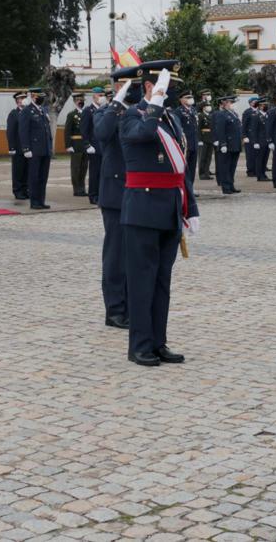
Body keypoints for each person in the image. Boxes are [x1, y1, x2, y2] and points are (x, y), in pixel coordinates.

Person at [119, 62, 199, 367]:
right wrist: (153, 103)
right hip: (142, 209)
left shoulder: (171, 117)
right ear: (151, 87)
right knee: (142, 280)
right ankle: (139, 345)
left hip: (168, 208)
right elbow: (142, 134)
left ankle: (158, 341)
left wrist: (190, 208)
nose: (172, 93)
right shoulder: (131, 115)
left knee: (161, 281)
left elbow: (181, 168)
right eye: (166, 86)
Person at [96, 75, 133, 329]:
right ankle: (115, 309)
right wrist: (117, 103)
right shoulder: (107, 112)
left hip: (140, 192)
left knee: (136, 255)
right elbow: (101, 133)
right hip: (116, 193)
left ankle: (133, 305)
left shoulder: (144, 111)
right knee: (116, 255)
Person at [19, 87, 53, 210]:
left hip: (45, 149)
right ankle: (34, 201)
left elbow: (46, 130)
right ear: (33, 97)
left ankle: (41, 200)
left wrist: (50, 147)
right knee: (34, 177)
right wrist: (26, 148)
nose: (42, 98)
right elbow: (23, 131)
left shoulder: (43, 110)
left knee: (43, 177)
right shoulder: (27, 111)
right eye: (40, 96)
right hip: (34, 149)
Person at [211, 94, 242, 194]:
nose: (233, 105)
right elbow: (220, 130)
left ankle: (231, 185)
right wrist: (223, 144)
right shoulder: (221, 114)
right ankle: (226, 187)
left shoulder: (234, 114)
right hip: (227, 144)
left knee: (232, 167)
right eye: (231, 103)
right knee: (225, 166)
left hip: (235, 144)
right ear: (225, 104)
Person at [81, 87, 104, 204]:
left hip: (104, 147)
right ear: (93, 96)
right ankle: (93, 195)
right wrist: (87, 145)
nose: (101, 97)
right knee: (94, 173)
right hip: (94, 147)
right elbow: (84, 130)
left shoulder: (105, 109)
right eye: (99, 95)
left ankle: (101, 194)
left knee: (103, 173)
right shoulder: (88, 111)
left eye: (102, 94)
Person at [6, 92, 29, 201]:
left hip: (28, 147)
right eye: (21, 98)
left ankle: (26, 190)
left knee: (27, 170)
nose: (23, 100)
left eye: (24, 98)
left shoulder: (29, 112)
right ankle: (18, 191)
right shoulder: (14, 114)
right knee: (18, 170)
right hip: (18, 147)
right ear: (17, 101)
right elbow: (10, 131)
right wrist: (11, 147)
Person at [64, 92, 88, 197]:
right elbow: (67, 131)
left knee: (84, 168)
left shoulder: (87, 113)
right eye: (78, 100)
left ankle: (82, 188)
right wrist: (68, 145)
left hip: (85, 145)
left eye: (82, 100)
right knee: (76, 168)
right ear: (75, 102)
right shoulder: (71, 115)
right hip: (76, 144)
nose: (80, 102)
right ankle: (76, 189)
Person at [175, 89, 200, 186]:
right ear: (181, 100)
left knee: (192, 168)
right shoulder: (178, 111)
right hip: (185, 144)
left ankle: (191, 188)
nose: (191, 99)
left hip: (194, 143)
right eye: (188, 98)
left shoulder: (193, 110)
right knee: (185, 168)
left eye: (191, 97)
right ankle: (184, 188)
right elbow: (178, 128)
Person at [197, 90, 215, 180]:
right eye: (207, 106)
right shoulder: (200, 116)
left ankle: (206, 172)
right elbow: (198, 128)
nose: (209, 107)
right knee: (202, 157)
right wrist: (199, 139)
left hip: (210, 137)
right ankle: (202, 173)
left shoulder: (211, 115)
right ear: (203, 107)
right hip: (203, 137)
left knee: (208, 157)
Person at [241, 97, 260, 178]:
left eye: (257, 101)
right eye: (255, 102)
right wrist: (244, 136)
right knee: (250, 155)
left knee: (257, 154)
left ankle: (256, 170)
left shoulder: (259, 111)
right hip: (250, 137)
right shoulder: (247, 112)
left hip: (258, 137)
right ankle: (250, 171)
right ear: (250, 103)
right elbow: (244, 125)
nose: (256, 103)